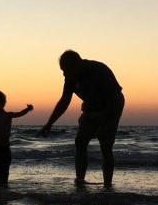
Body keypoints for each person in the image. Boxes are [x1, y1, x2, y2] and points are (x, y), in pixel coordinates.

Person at [40, 50, 124, 187]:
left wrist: (103, 123)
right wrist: (49, 123)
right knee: (80, 142)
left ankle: (107, 185)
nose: (64, 74)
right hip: (91, 105)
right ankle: (80, 180)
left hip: (112, 104)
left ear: (76, 65)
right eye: (62, 70)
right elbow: (64, 101)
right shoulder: (71, 77)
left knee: (106, 145)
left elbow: (112, 99)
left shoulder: (97, 70)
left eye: (65, 70)